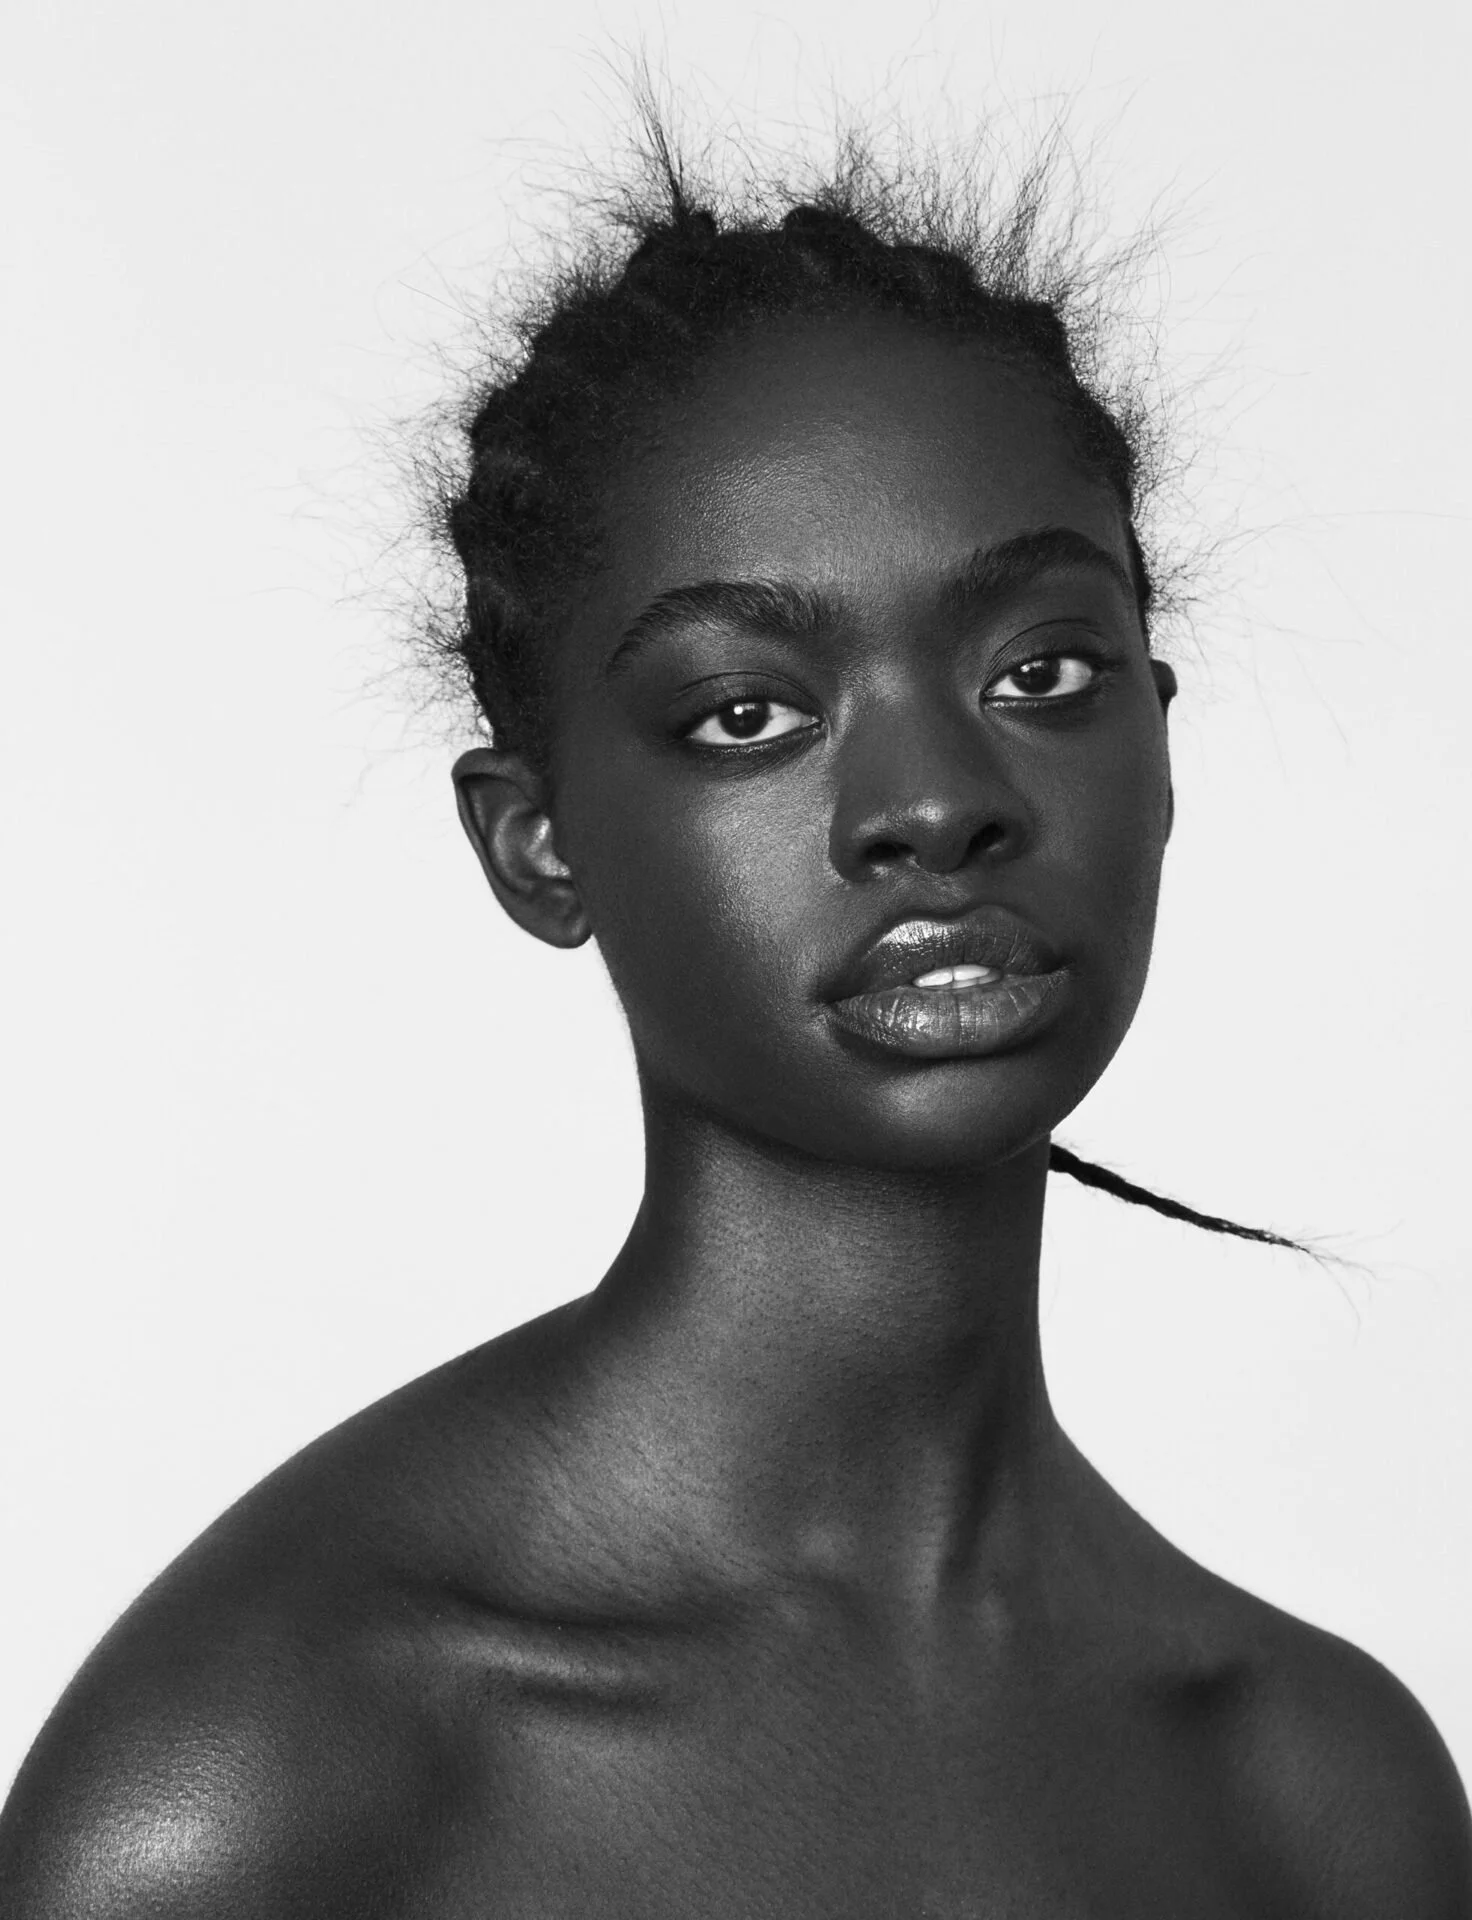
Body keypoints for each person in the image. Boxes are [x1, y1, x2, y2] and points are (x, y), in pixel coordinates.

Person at [2, 124, 1469, 1919]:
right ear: (537, 848)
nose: (934, 803)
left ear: (1159, 743)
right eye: (747, 714)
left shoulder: (1317, 1794)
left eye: (1042, 672)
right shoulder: (281, 1773)